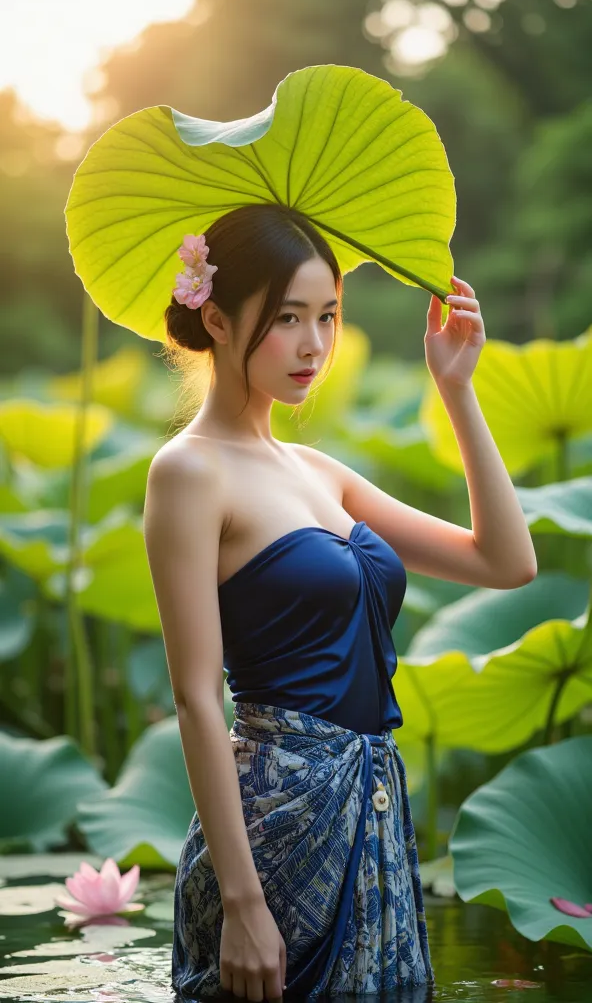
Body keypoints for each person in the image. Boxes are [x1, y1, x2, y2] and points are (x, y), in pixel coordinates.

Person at [143, 202, 537, 1001]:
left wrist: (457, 389)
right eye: (287, 318)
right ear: (217, 318)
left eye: (326, 316)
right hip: (272, 827)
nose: (314, 344)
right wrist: (244, 903)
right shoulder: (187, 474)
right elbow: (194, 697)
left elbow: (505, 561)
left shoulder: (320, 471)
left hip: (375, 806)